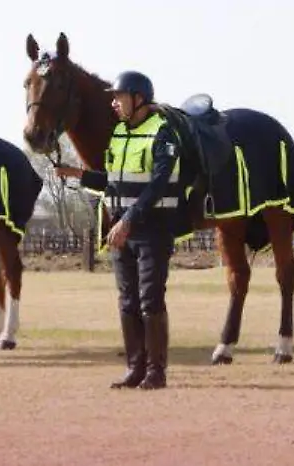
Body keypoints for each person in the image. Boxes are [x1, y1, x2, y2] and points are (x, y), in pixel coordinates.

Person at [55, 70, 192, 390]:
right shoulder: (119, 134)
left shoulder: (163, 134)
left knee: (150, 300)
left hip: (152, 229)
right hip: (122, 229)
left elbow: (157, 186)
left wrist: (127, 221)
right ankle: (135, 369)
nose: (114, 104)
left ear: (138, 99)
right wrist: (78, 174)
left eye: (119, 98)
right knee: (128, 301)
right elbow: (113, 182)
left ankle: (156, 372)